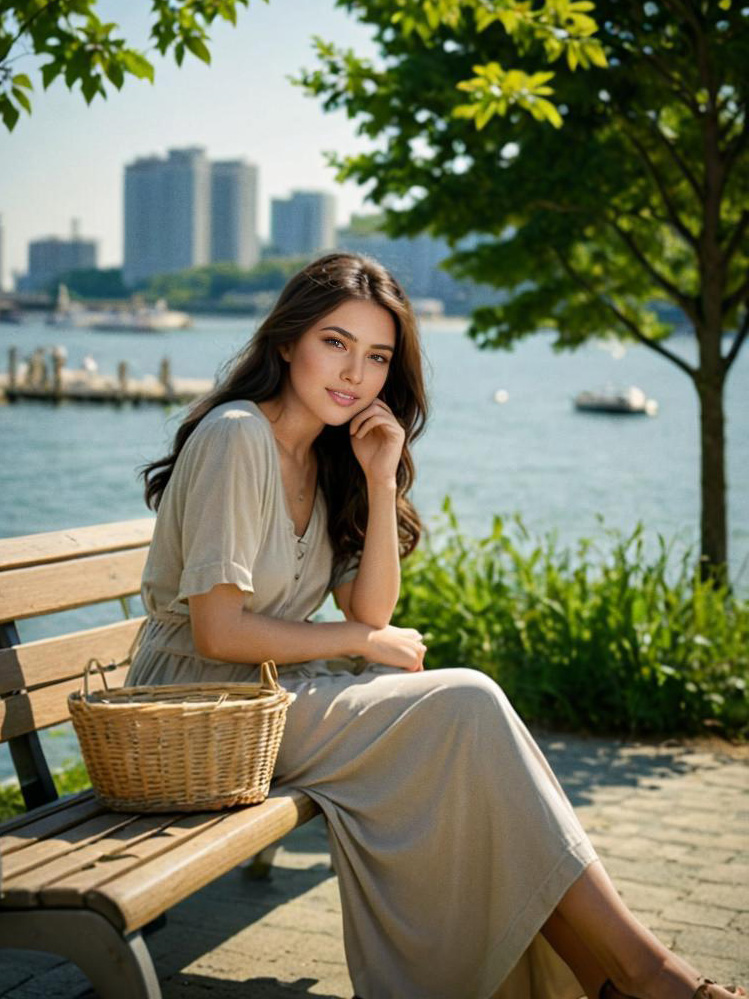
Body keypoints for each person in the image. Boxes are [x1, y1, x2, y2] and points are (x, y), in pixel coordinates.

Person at [126, 252, 744, 999]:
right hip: (195, 709)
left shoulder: (328, 455)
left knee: (468, 742)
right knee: (466, 706)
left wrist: (381, 477)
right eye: (335, 342)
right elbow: (221, 632)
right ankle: (649, 975)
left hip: (267, 700)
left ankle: (611, 981)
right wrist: (358, 643)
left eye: (377, 356)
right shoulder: (236, 436)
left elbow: (372, 609)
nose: (354, 372)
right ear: (286, 341)